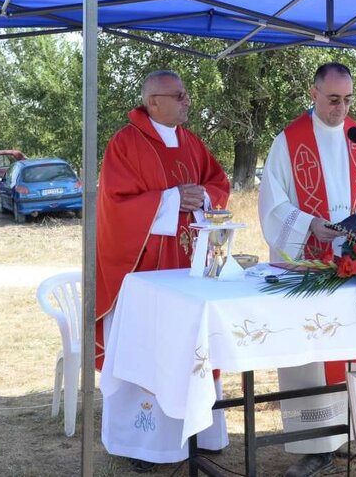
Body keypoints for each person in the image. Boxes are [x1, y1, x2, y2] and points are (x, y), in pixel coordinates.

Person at [259, 62, 356, 477]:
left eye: (347, 100)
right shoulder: (288, 142)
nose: (340, 109)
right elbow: (272, 203)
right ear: (313, 93)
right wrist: (311, 225)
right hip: (313, 264)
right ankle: (318, 446)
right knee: (315, 351)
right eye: (332, 100)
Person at [95, 70, 231, 472]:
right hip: (148, 267)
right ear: (154, 100)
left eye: (186, 94)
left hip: (191, 263)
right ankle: (144, 445)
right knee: (151, 348)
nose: (188, 100)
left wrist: (203, 195)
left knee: (192, 346)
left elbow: (217, 182)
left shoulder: (191, 141)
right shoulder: (125, 143)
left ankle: (202, 432)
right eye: (180, 95)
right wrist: (172, 199)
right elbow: (117, 205)